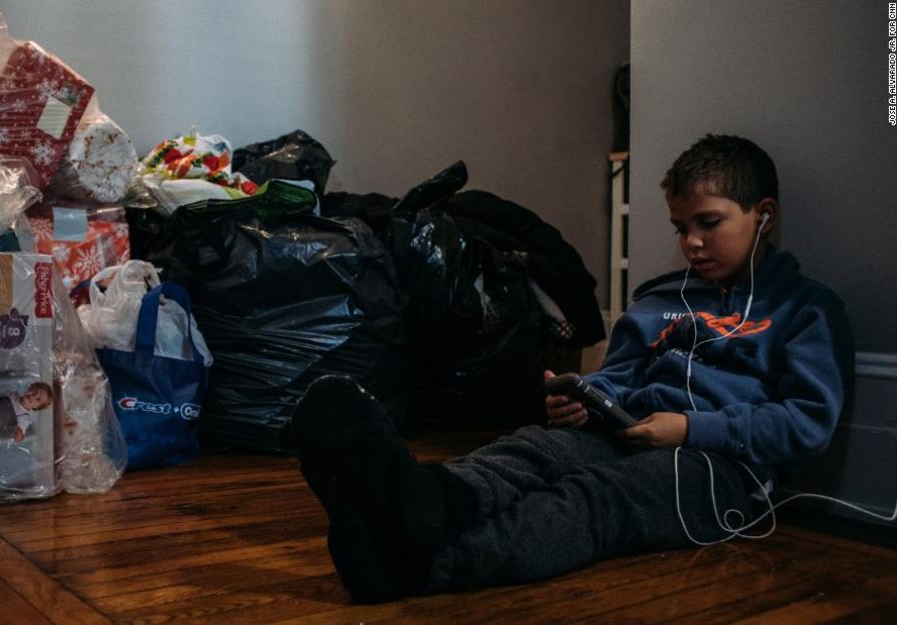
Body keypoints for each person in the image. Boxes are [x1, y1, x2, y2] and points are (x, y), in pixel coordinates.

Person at [290, 134, 854, 603]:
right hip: (630, 430)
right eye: (681, 227)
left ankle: (420, 567)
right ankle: (423, 504)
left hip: (723, 470)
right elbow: (620, 377)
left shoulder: (805, 310)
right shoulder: (659, 301)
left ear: (764, 216)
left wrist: (689, 428)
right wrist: (584, 395)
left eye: (708, 223)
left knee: (596, 497)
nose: (692, 242)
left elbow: (806, 424)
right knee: (534, 449)